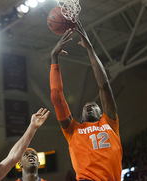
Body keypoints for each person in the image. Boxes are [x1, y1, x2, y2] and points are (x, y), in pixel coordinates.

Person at [50, 21, 122, 181]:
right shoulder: (72, 129)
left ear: (101, 112)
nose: (90, 106)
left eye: (95, 105)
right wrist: (54, 58)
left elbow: (104, 85)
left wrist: (90, 48)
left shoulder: (109, 123)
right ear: (81, 117)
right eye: (86, 107)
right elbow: (56, 97)